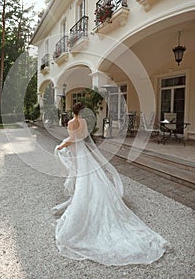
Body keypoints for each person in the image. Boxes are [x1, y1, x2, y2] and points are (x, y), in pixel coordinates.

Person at [54, 102, 167, 266]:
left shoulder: (72, 122)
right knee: (90, 176)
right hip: (83, 150)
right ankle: (90, 197)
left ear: (73, 111)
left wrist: (61, 145)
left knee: (83, 178)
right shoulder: (84, 122)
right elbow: (84, 136)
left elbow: (72, 138)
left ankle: (83, 203)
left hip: (77, 151)